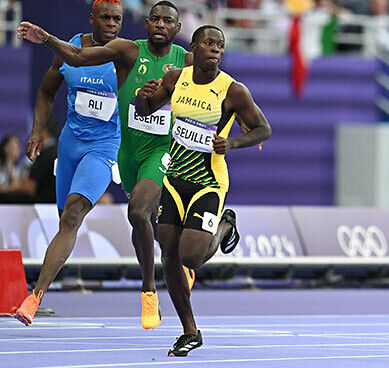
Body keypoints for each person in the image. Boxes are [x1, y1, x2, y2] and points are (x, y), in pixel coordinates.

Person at [17, 1, 241, 329]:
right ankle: (219, 230)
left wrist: (236, 130)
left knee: (127, 212)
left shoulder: (174, 61)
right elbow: (72, 64)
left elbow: (221, 89)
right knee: (155, 235)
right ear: (146, 23)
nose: (161, 25)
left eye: (168, 21)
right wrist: (47, 38)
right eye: (156, 19)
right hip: (118, 150)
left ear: (177, 29)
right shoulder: (121, 51)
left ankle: (146, 292)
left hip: (147, 150)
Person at [135, 25, 271, 356]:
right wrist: (143, 95)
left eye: (221, 45)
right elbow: (145, 110)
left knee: (190, 257)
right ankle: (190, 331)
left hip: (208, 183)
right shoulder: (175, 79)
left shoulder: (233, 90)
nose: (216, 49)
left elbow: (264, 129)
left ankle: (226, 224)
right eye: (209, 43)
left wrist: (233, 142)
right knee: (167, 252)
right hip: (174, 179)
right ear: (194, 48)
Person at [11, 0, 124, 326]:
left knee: (74, 212)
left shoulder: (123, 55)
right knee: (66, 221)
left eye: (117, 19)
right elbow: (47, 91)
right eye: (105, 18)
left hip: (104, 147)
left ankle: (35, 296)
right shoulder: (70, 48)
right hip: (70, 144)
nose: (112, 24)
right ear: (92, 18)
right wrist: (36, 132)